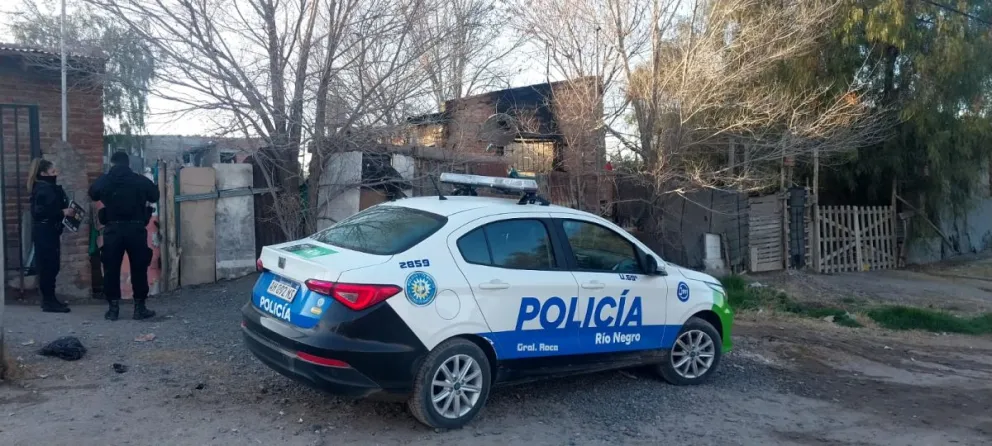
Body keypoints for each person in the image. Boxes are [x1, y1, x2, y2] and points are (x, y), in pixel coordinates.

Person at [89, 151, 160, 321]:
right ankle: (139, 308)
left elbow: (93, 193)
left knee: (111, 269)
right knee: (139, 268)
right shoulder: (139, 180)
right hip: (135, 229)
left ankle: (113, 309)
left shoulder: (106, 179)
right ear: (128, 163)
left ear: (112, 163)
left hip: (113, 230)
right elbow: (154, 195)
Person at [28, 158, 75, 313]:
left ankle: (50, 299)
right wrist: (62, 212)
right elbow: (38, 212)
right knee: (48, 266)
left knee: (51, 266)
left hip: (48, 231)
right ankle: (48, 301)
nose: (56, 174)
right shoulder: (43, 189)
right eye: (53, 172)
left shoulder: (46, 187)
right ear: (43, 173)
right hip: (45, 232)